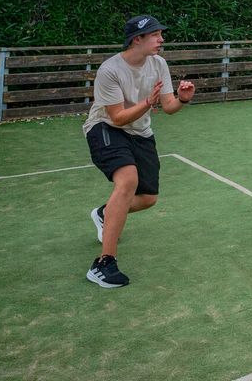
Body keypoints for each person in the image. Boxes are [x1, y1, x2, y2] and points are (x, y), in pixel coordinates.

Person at [84, 15, 196, 288]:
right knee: (128, 180)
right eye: (156, 35)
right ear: (138, 39)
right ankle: (103, 264)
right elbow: (118, 117)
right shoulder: (110, 70)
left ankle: (105, 213)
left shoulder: (159, 64)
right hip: (106, 127)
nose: (162, 40)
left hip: (141, 132)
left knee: (148, 198)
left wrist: (182, 99)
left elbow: (168, 106)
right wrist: (148, 101)